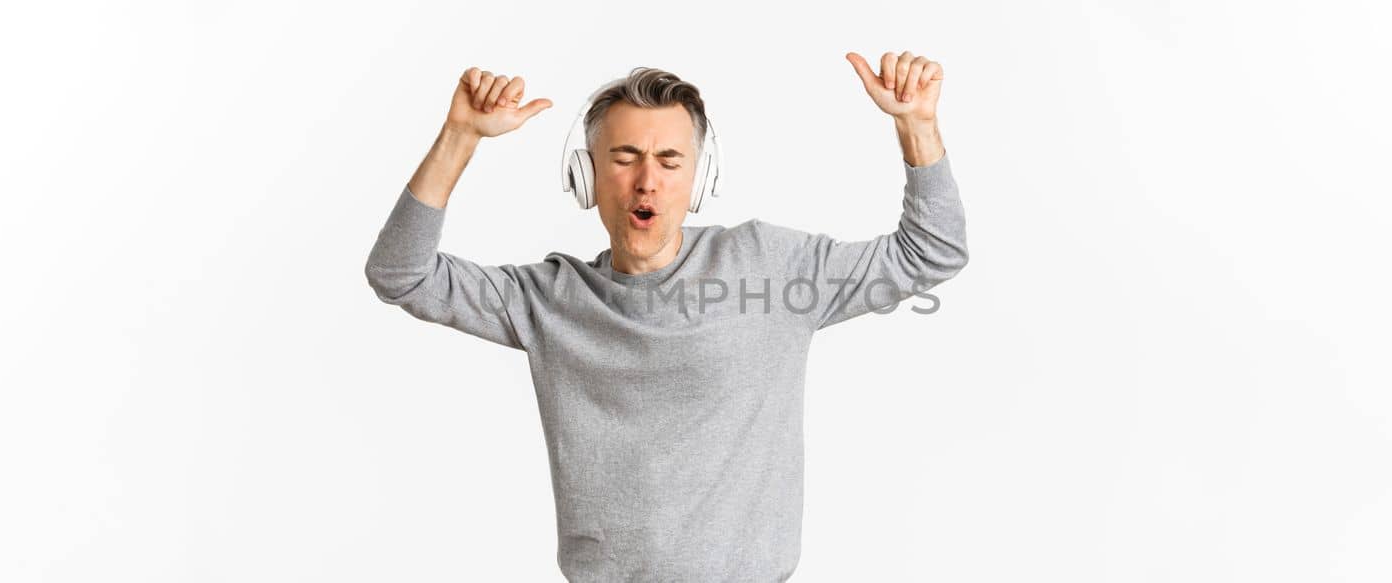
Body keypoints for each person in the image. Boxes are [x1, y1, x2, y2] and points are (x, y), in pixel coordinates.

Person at [364, 50, 967, 582]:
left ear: (699, 178)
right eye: (624, 157)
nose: (647, 181)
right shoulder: (549, 299)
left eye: (670, 160)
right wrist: (460, 135)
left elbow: (931, 251)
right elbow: (401, 274)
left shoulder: (772, 270)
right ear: (588, 175)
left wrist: (917, 125)